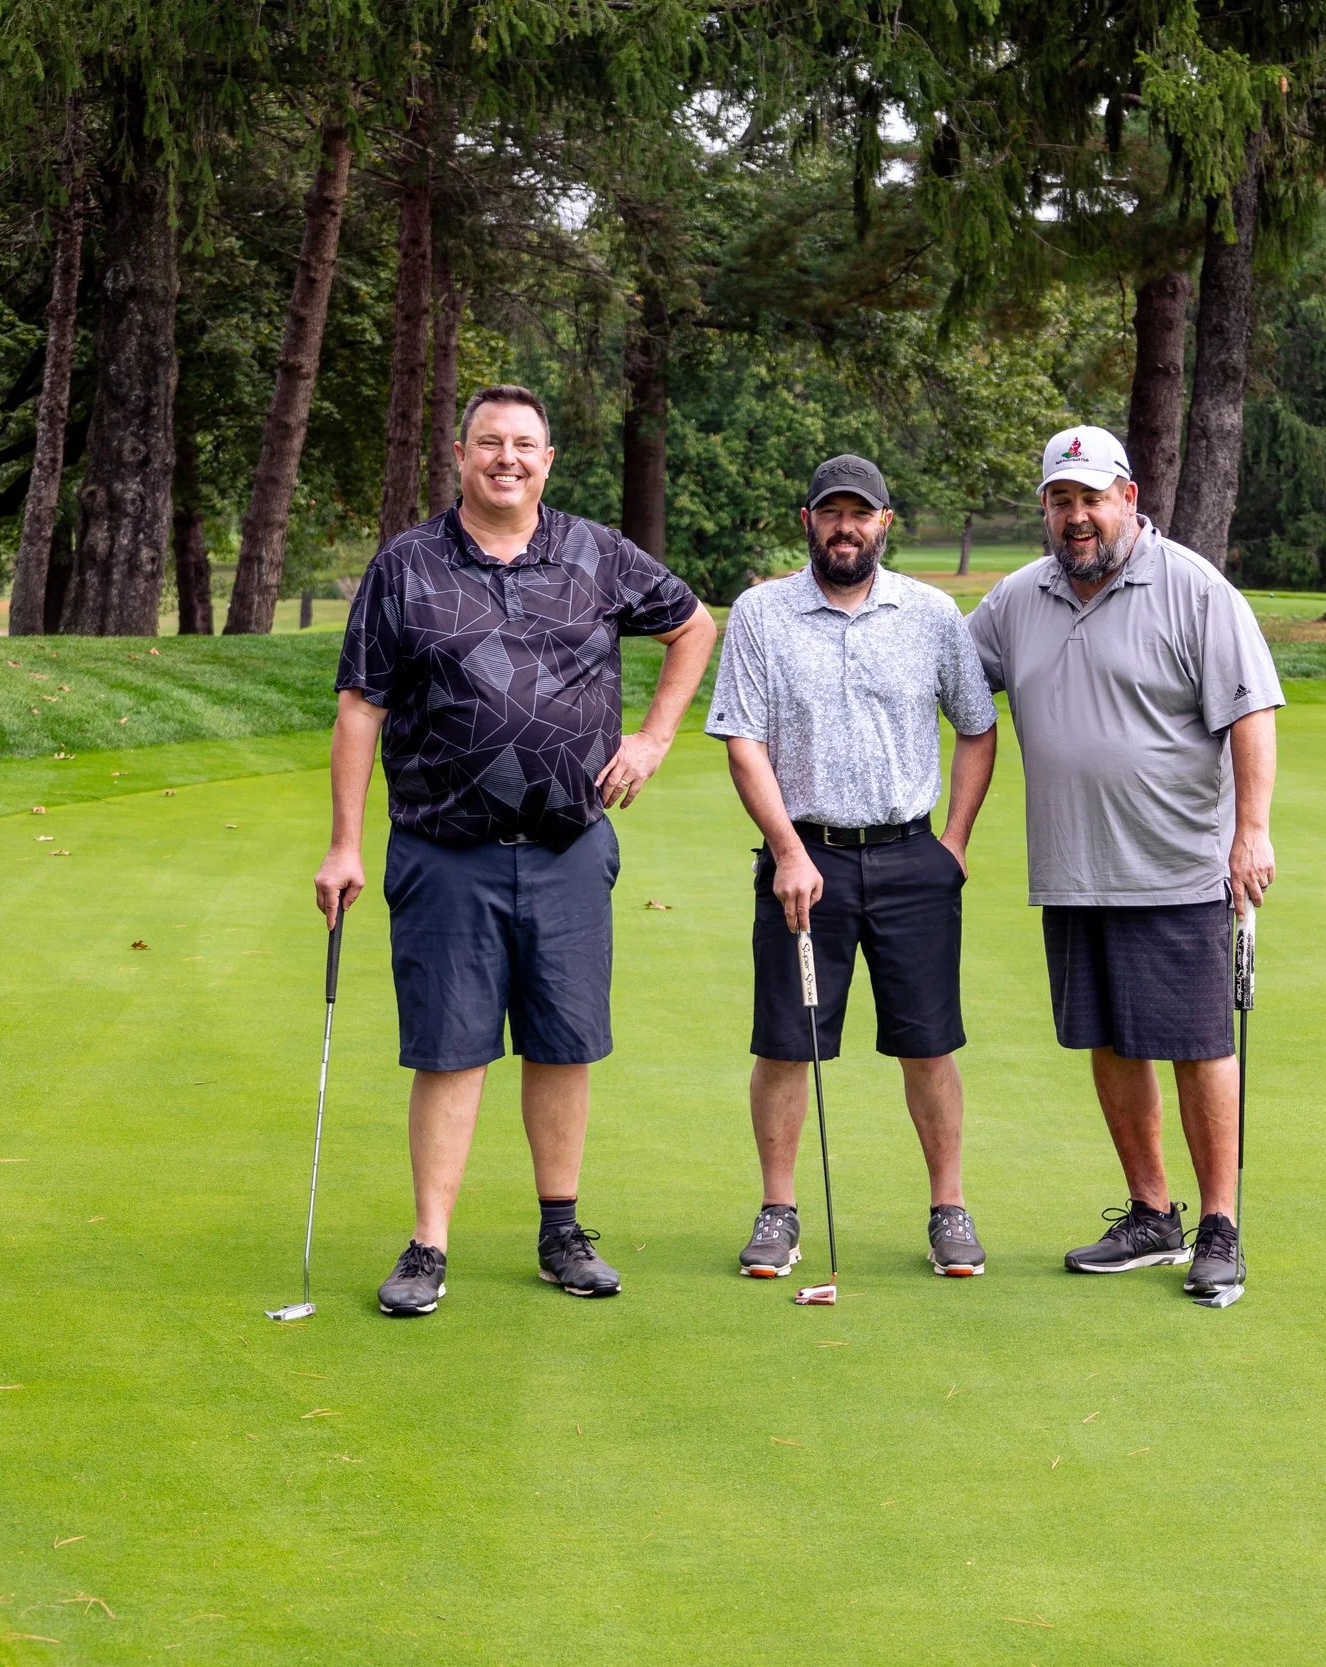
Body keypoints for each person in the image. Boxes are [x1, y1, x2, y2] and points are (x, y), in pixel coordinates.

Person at [315, 384, 718, 1315]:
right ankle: (428, 1245)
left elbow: (692, 625)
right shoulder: (406, 565)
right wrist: (344, 843)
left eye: (525, 444)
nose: (507, 457)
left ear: (548, 460)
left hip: (567, 846)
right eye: (489, 442)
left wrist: (654, 737)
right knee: (450, 1052)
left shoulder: (594, 551)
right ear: (459, 455)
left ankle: (561, 1231)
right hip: (442, 845)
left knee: (561, 1043)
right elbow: (359, 708)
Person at [967, 425, 1282, 1299]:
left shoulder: (1192, 589)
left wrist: (1250, 831)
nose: (1077, 517)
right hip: (1071, 869)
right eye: (1061, 500)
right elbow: (945, 670)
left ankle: (1219, 1224)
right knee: (1107, 1040)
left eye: (1092, 498)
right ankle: (1152, 1214)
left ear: (1129, 499)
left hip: (1175, 864)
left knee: (1196, 1042)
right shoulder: (1018, 599)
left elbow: (1251, 713)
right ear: (1044, 508)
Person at [705, 455, 1002, 1278]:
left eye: (859, 514)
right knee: (786, 1043)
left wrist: (956, 842)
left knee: (929, 1042)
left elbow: (977, 726)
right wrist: (790, 853)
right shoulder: (762, 615)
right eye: (830, 512)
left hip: (912, 857)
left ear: (884, 523)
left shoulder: (933, 613)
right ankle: (778, 1210)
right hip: (804, 860)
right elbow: (743, 742)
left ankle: (949, 1208)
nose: (845, 527)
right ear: (807, 519)